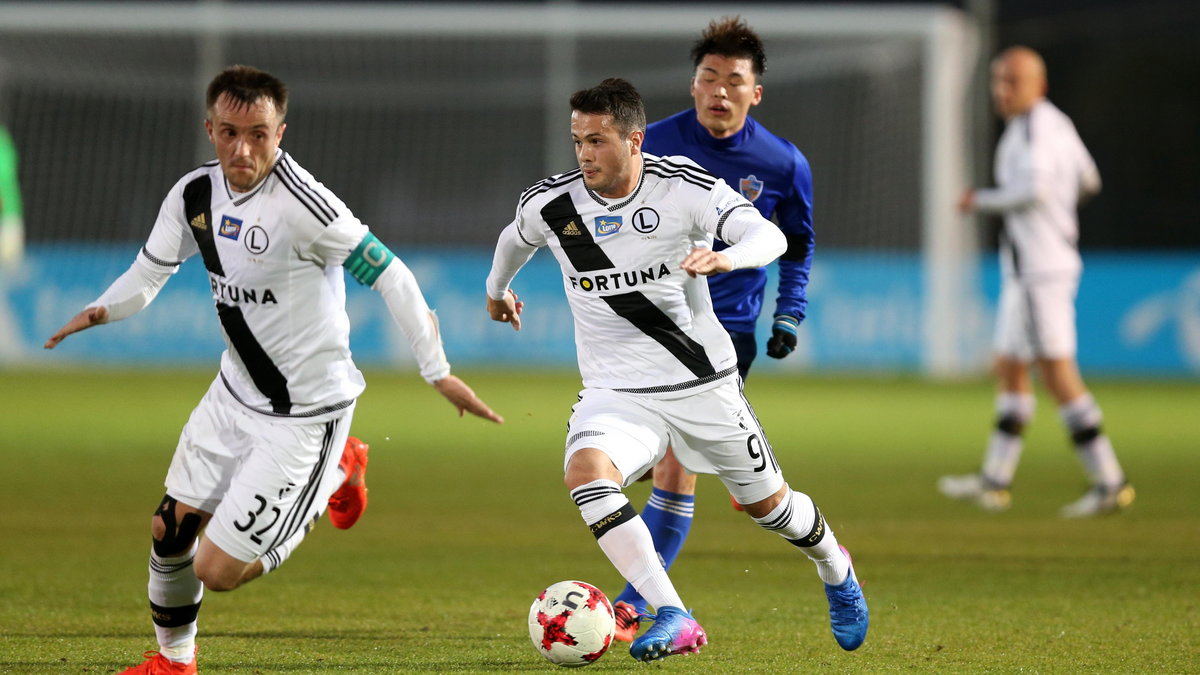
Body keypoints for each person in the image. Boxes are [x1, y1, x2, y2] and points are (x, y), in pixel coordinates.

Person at [44, 65, 503, 674]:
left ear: (280, 132)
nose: (243, 148)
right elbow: (150, 273)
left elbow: (391, 273)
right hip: (233, 394)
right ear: (210, 129)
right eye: (230, 132)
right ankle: (175, 663)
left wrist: (437, 370)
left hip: (305, 416)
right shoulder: (194, 196)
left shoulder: (305, 206)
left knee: (217, 570)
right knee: (167, 531)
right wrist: (102, 309)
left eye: (258, 133)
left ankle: (339, 474)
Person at [485, 78, 865, 661]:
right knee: (588, 473)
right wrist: (497, 290)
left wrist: (726, 255)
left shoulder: (681, 187)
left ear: (635, 140)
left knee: (773, 509)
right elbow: (515, 239)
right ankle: (674, 613)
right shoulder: (553, 204)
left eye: (598, 141)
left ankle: (835, 567)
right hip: (618, 392)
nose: (585, 154)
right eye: (578, 141)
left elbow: (769, 235)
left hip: (702, 385)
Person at [609, 16, 815, 641]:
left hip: (723, 333)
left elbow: (798, 245)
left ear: (756, 93)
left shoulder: (783, 163)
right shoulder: (653, 145)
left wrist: (790, 310)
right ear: (693, 85)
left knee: (673, 467)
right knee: (631, 462)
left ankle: (632, 605)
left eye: (733, 80)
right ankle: (740, 465)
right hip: (643, 325)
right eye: (708, 77)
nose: (718, 90)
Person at [938, 46, 1134, 518]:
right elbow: (1089, 180)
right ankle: (994, 480)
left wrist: (978, 201)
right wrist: (1060, 220)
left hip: (1039, 271)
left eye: (1014, 81)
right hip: (1031, 267)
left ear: (1038, 86)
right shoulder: (1058, 123)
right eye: (999, 80)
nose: (1003, 91)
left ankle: (1110, 481)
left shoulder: (1033, 130)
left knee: (1057, 374)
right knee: (1010, 366)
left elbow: (1036, 189)